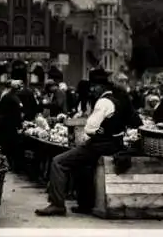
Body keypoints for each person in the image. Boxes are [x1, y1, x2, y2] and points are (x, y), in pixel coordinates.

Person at [35, 68, 128, 216]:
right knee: (82, 166)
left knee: (58, 162)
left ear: (99, 87)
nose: (92, 91)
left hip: (100, 145)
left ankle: (57, 204)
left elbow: (90, 128)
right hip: (115, 144)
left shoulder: (103, 102)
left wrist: (95, 134)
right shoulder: (119, 99)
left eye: (93, 87)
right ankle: (85, 204)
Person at [0, 80, 23, 170]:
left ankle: (6, 164)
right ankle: (12, 166)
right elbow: (17, 114)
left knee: (5, 145)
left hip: (3, 124)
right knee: (12, 146)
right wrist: (19, 126)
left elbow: (1, 111)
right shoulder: (14, 98)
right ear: (16, 89)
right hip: (10, 126)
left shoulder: (6, 96)